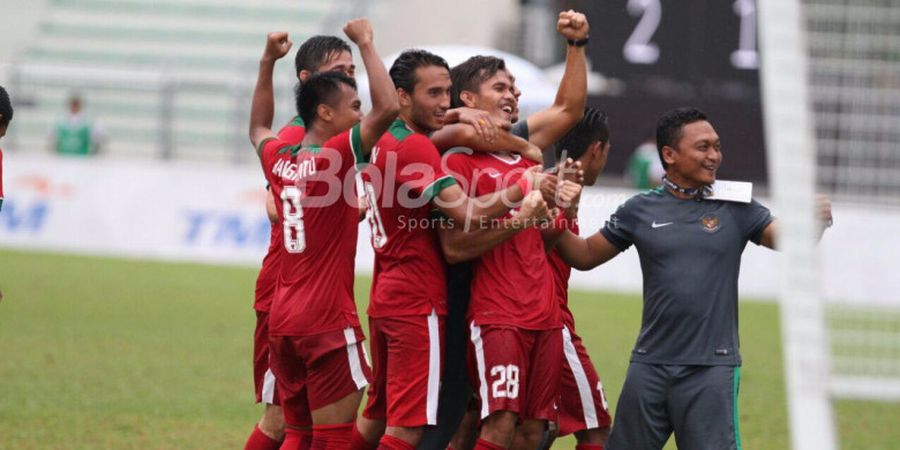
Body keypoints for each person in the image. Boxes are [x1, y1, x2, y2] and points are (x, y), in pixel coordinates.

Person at [554, 107, 833, 450]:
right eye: (703, 147)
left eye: (716, 146)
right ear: (669, 155)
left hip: (711, 369)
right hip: (649, 365)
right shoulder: (638, 209)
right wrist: (547, 218)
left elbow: (786, 239)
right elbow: (584, 256)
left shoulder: (736, 204)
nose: (714, 155)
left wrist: (814, 222)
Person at [348, 49, 560, 450]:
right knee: (408, 426)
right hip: (417, 300)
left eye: (448, 91)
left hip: (387, 292)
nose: (445, 102)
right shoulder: (415, 148)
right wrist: (520, 191)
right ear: (402, 98)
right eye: (434, 93)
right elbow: (463, 214)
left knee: (377, 416)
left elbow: (460, 128)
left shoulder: (382, 140)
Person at [421, 10, 591, 450]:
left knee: (534, 431)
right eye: (501, 87)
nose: (514, 93)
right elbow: (456, 247)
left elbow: (569, 109)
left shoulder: (525, 156)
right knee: (471, 421)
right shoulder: (452, 157)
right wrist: (522, 201)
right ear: (468, 100)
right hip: (476, 308)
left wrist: (560, 210)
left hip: (542, 312)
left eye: (514, 86)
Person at [248, 18, 399, 449]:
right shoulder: (333, 156)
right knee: (333, 437)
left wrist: (265, 63)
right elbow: (388, 110)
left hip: (285, 319)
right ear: (325, 112)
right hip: (326, 321)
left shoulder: (280, 157)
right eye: (353, 107)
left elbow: (258, 128)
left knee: (295, 431)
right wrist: (368, 44)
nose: (360, 115)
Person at [244, 32, 360, 450]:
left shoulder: (331, 139)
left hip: (298, 297)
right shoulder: (301, 140)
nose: (349, 80)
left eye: (352, 70)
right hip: (290, 289)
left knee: (300, 425)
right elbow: (277, 206)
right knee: (282, 421)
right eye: (338, 72)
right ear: (310, 82)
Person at [541, 107, 614, 450]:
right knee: (597, 429)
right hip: (549, 323)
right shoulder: (555, 190)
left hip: (525, 320)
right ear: (597, 149)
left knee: (533, 428)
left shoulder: (550, 182)